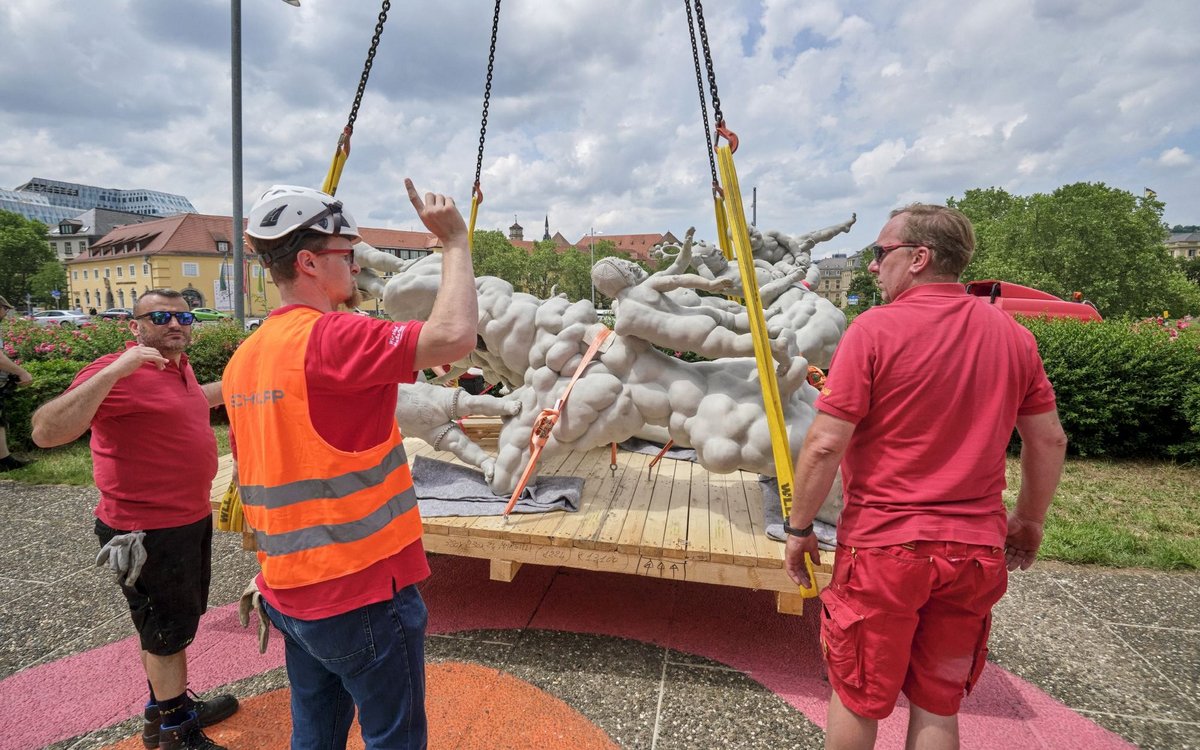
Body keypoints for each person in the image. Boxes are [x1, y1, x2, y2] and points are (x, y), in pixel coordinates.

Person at [783, 204, 1068, 750]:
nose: (872, 266)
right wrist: (1029, 519)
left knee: (858, 694)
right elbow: (1049, 439)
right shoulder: (1013, 336)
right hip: (975, 552)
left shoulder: (873, 331)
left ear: (918, 258)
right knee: (938, 702)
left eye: (880, 252)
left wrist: (798, 531)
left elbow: (823, 444)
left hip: (885, 550)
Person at [223, 180, 477, 749]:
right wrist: (456, 243)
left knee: (316, 733)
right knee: (395, 738)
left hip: (288, 591)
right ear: (310, 262)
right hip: (358, 590)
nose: (356, 263)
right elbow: (455, 336)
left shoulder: (249, 356)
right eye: (347, 253)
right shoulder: (331, 337)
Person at [30, 289, 238, 750]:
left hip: (187, 517)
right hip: (145, 530)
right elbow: (46, 432)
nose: (175, 324)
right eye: (160, 316)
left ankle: (164, 707)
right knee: (165, 632)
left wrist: (235, 384)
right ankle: (175, 731)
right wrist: (114, 370)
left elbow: (183, 406)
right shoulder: (117, 370)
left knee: (172, 622)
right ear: (135, 325)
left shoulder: (177, 367)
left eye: (183, 316)